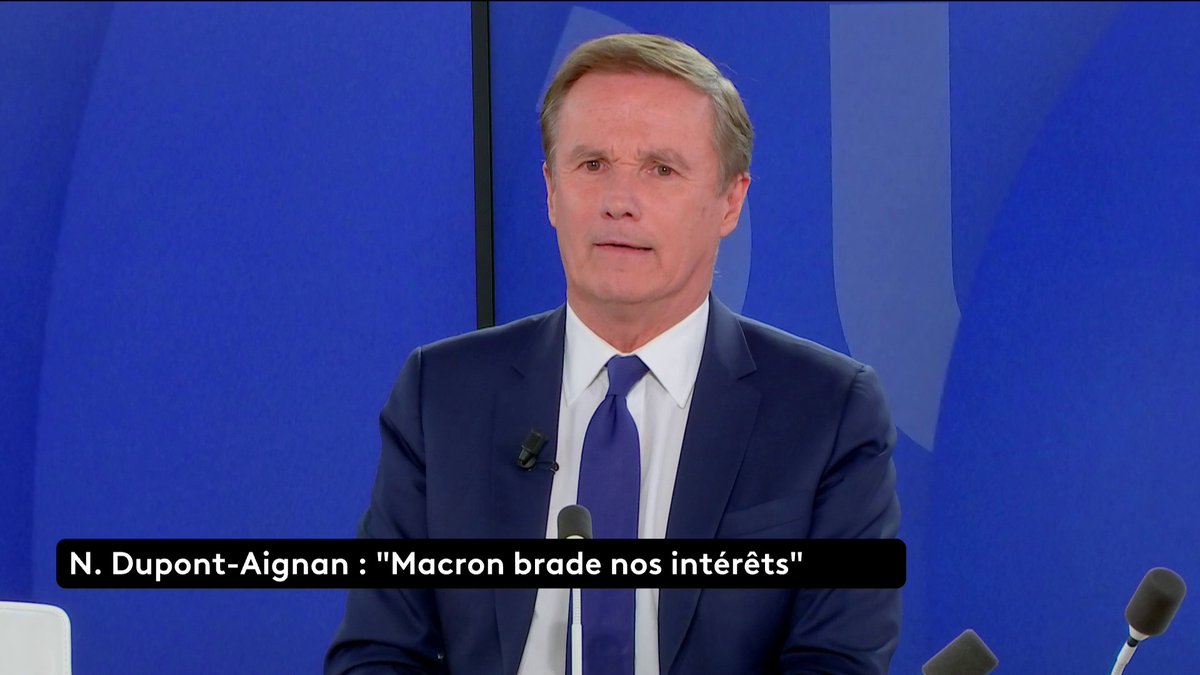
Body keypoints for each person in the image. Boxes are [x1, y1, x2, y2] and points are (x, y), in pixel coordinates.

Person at [326, 33, 900, 675]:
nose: (619, 202)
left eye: (661, 169)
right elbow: (378, 653)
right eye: (593, 164)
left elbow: (835, 663)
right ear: (551, 191)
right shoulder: (443, 394)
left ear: (730, 201)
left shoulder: (826, 412)